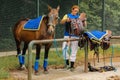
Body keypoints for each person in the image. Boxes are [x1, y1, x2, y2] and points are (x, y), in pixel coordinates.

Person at [60, 5, 81, 71]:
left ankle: (72, 66)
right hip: (67, 35)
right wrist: (66, 20)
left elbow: (82, 26)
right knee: (64, 49)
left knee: (74, 50)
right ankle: (67, 64)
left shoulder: (79, 17)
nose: (76, 12)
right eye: (75, 11)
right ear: (72, 10)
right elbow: (61, 22)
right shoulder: (67, 15)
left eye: (77, 11)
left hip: (76, 36)